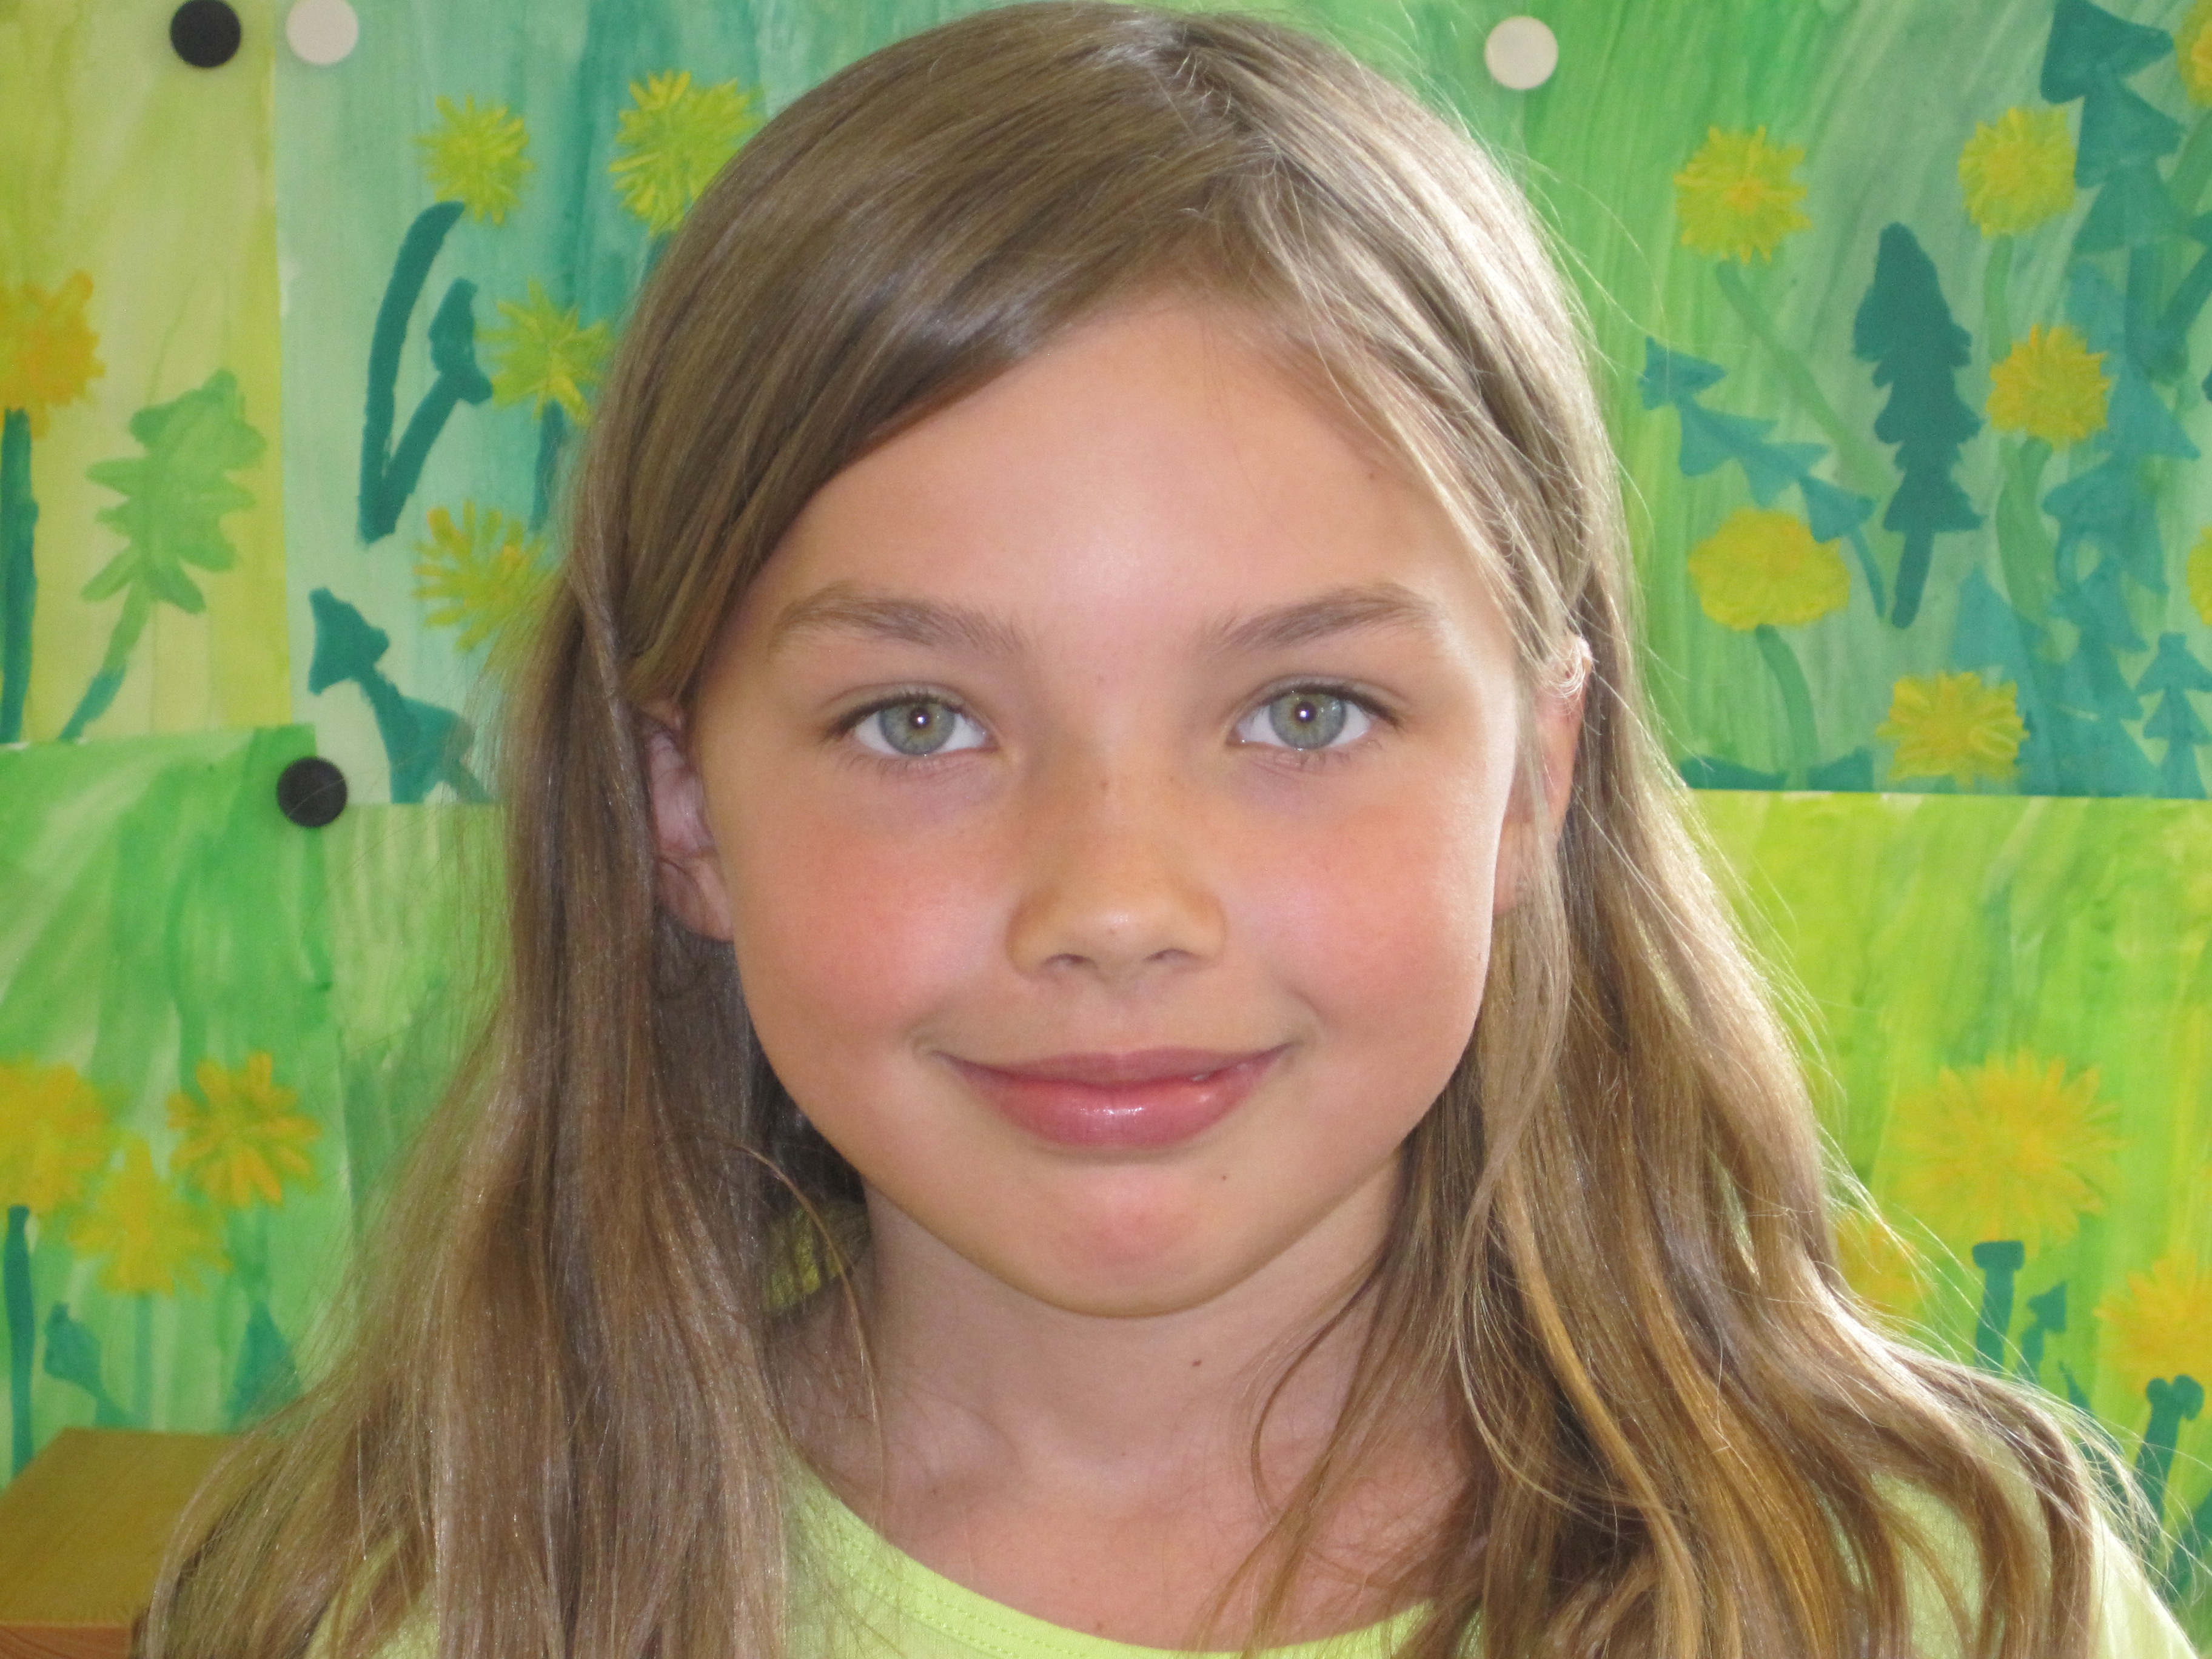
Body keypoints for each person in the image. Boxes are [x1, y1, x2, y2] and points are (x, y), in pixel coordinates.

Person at [150, 7, 2194, 1658]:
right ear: (680, 803)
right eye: (920, 720)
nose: (1116, 907)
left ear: (1535, 773)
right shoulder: (416, 1605)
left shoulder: (1939, 1598)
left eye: (1307, 712)